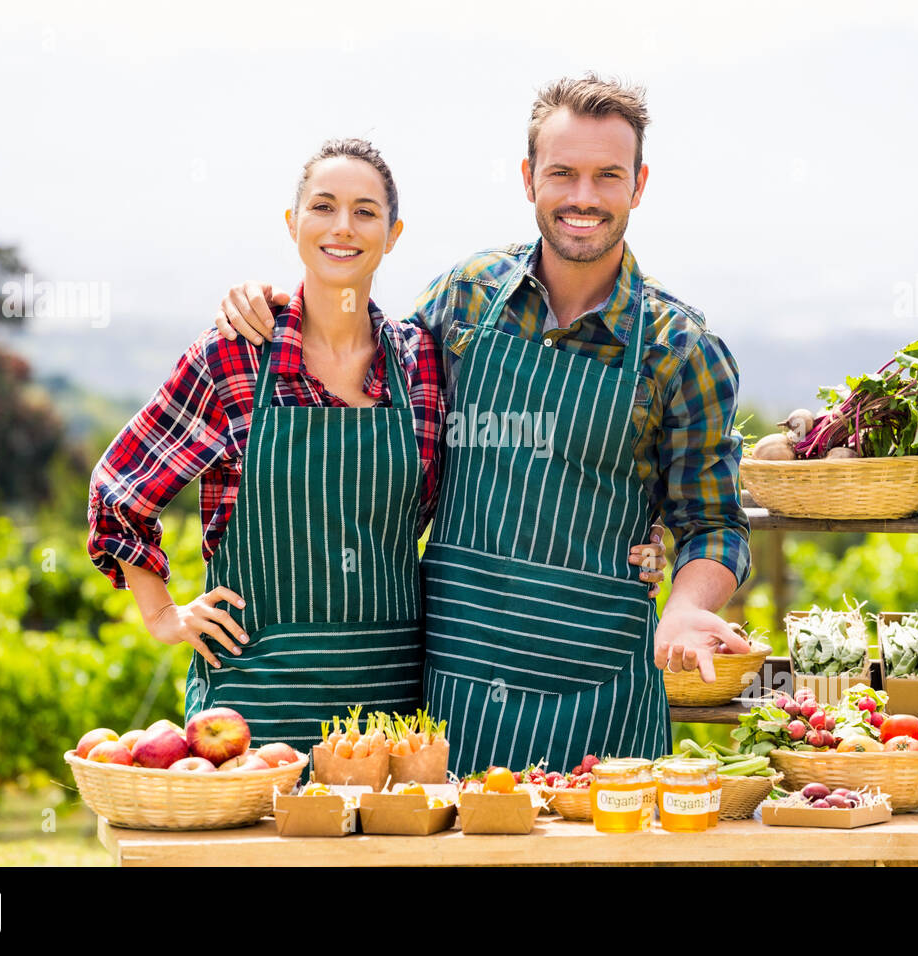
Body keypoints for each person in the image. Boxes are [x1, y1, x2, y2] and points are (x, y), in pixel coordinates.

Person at [215, 74, 749, 775]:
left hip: (602, 697)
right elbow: (360, 359)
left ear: (638, 185)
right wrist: (274, 304)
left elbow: (714, 523)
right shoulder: (467, 298)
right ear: (530, 179)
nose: (583, 197)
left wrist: (684, 607)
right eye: (562, 173)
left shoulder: (680, 349)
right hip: (454, 694)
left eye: (607, 176)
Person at [88, 137, 665, 756]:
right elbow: (121, 490)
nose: (343, 227)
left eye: (365, 212)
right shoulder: (235, 355)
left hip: (389, 718)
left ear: (392, 235)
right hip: (253, 708)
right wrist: (162, 615)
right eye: (323, 207)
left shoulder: (420, 362)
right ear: (293, 224)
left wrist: (640, 528)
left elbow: (514, 455)